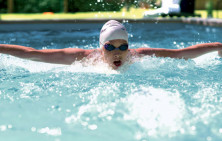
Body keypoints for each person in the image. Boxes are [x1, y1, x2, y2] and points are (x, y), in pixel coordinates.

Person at [0, 20, 222, 70]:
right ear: (100, 48)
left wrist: (218, 45)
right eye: (110, 47)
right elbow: (33, 54)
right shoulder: (84, 58)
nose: (118, 53)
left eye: (123, 47)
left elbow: (182, 53)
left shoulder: (139, 56)